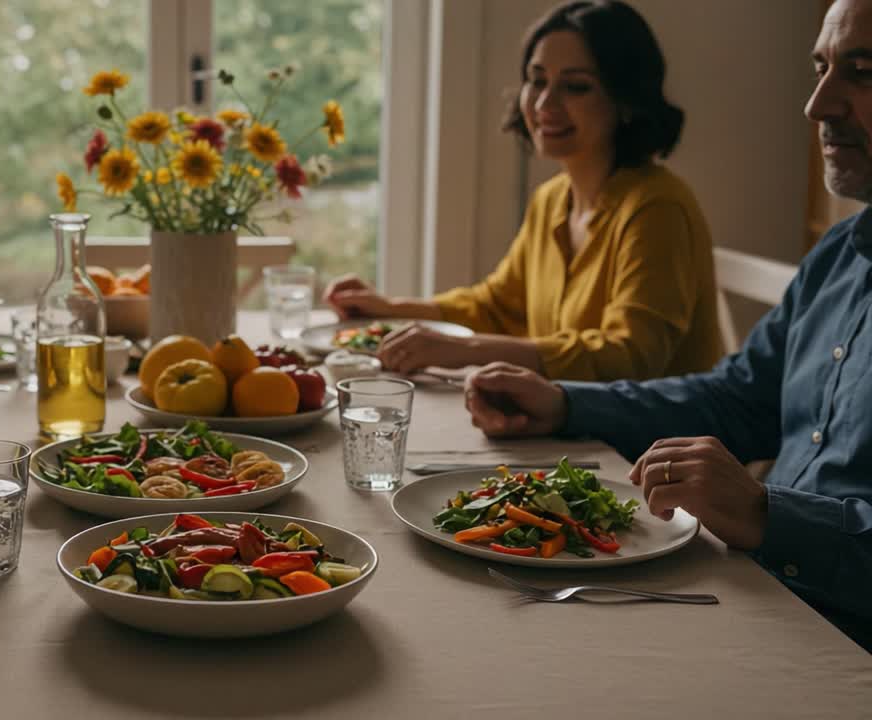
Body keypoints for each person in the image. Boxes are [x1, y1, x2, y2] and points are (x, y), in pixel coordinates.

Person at [461, 0, 872, 651]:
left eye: (862, 71)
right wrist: (566, 404)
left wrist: (770, 515)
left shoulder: (655, 203)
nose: (817, 104)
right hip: (752, 597)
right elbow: (737, 397)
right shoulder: (840, 253)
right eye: (820, 68)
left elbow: (637, 349)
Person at [324, 0, 722, 382]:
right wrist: (393, 310)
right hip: (573, 426)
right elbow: (497, 307)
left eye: (576, 86)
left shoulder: (657, 209)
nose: (545, 102)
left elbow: (632, 357)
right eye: (536, 81)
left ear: (626, 100)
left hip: (656, 445)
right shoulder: (552, 199)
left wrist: (466, 349)